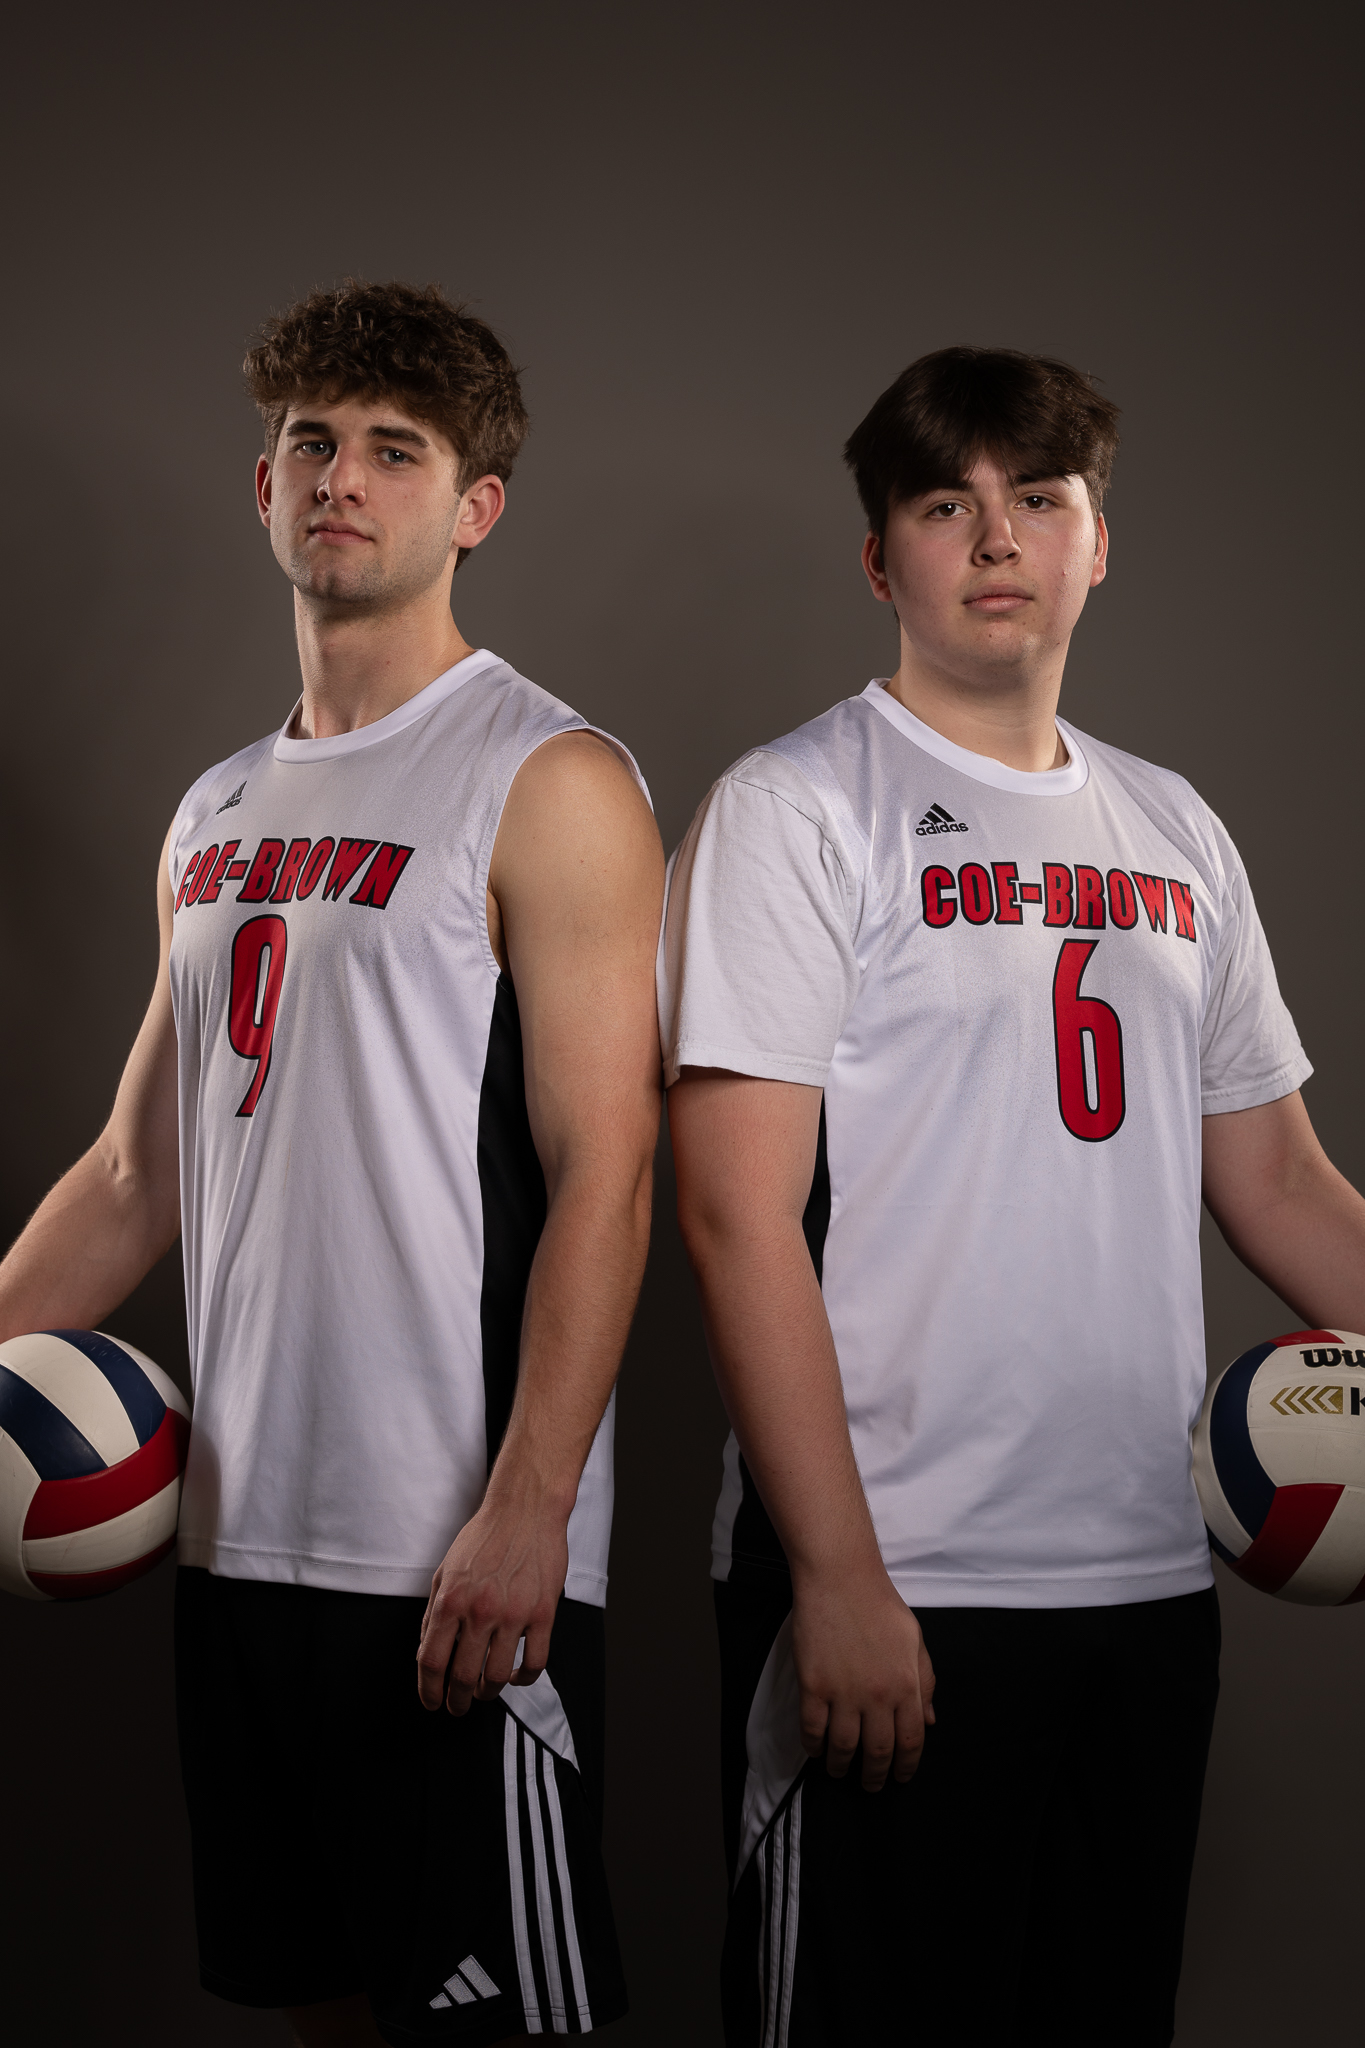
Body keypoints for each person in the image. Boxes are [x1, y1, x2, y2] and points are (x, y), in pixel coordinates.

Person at [658, 346, 1365, 2046]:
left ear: (1094, 541)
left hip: (1137, 1580)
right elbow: (733, 1217)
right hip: (893, 1578)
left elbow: (1271, 1178)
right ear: (879, 559)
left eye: (1035, 499)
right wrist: (835, 1577)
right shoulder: (795, 809)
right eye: (942, 504)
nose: (995, 539)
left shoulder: (1174, 825)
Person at [0, 280, 663, 2048]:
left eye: (393, 449)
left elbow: (610, 1174)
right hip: (236, 1536)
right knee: (316, 2016)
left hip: (452, 1552)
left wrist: (529, 1511)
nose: (341, 480)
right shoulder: (216, 810)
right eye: (311, 442)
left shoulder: (549, 775)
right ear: (264, 484)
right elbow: (137, 1172)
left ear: (474, 507)